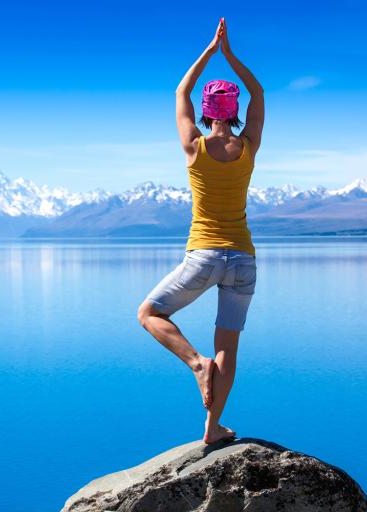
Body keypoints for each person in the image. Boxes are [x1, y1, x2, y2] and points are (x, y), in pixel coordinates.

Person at [136, 17, 265, 445]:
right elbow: (260, 92)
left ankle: (195, 364)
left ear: (208, 112)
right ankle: (212, 429)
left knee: (149, 314)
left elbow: (180, 92)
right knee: (228, 346)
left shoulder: (195, 147)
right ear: (236, 110)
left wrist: (211, 51)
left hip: (204, 255)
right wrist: (231, 55)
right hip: (243, 260)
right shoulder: (248, 147)